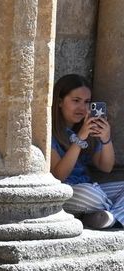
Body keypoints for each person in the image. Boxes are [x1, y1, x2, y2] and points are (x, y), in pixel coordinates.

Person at [51, 74, 124, 230]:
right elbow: (59, 175)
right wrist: (80, 138)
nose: (83, 108)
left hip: (91, 188)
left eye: (87, 102)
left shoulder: (87, 128)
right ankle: (112, 215)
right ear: (59, 102)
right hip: (66, 191)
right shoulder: (49, 132)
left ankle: (105, 218)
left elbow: (106, 167)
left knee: (94, 191)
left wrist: (106, 139)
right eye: (76, 101)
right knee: (90, 193)